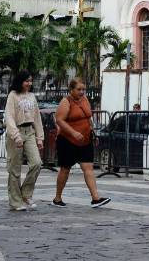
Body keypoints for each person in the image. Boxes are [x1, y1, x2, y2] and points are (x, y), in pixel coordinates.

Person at [50, 78, 110, 209]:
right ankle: (57, 198)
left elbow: (88, 118)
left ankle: (95, 198)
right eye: (79, 89)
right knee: (65, 169)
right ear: (71, 90)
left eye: (83, 89)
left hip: (85, 140)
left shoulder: (85, 100)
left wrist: (93, 133)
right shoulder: (66, 102)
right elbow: (59, 120)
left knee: (88, 168)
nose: (82, 92)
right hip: (67, 140)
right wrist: (73, 133)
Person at [4, 70, 44, 211]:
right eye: (26, 81)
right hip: (16, 133)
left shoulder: (32, 96)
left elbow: (37, 118)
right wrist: (16, 136)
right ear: (20, 81)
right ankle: (15, 202)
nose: (29, 83)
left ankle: (26, 194)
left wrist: (40, 137)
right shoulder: (13, 96)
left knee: (37, 163)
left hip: (30, 132)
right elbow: (9, 117)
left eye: (30, 81)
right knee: (14, 169)